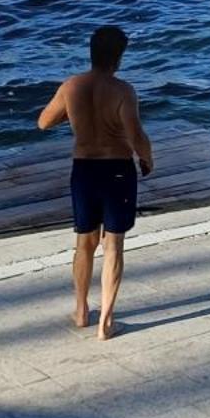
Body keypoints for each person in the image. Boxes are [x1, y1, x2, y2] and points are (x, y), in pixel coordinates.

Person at [38, 24, 154, 339]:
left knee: (84, 242)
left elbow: (43, 122)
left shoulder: (71, 87)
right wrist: (148, 158)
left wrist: (74, 115)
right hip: (117, 170)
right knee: (113, 245)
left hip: (84, 170)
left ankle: (80, 310)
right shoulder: (123, 90)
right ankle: (105, 322)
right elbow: (135, 136)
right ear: (118, 57)